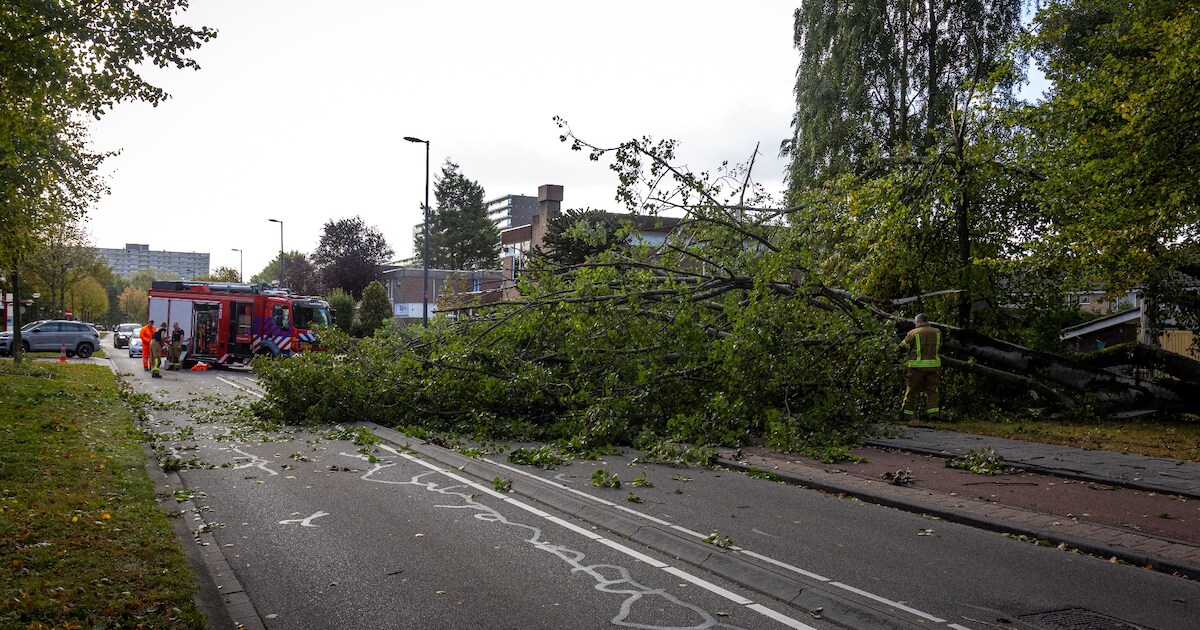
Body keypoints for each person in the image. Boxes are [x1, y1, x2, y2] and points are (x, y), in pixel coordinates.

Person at [900, 313, 941, 420]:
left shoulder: (913, 333)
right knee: (932, 391)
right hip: (933, 367)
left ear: (918, 322)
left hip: (916, 368)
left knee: (911, 391)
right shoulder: (937, 332)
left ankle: (906, 415)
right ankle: (934, 415)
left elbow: (902, 347)